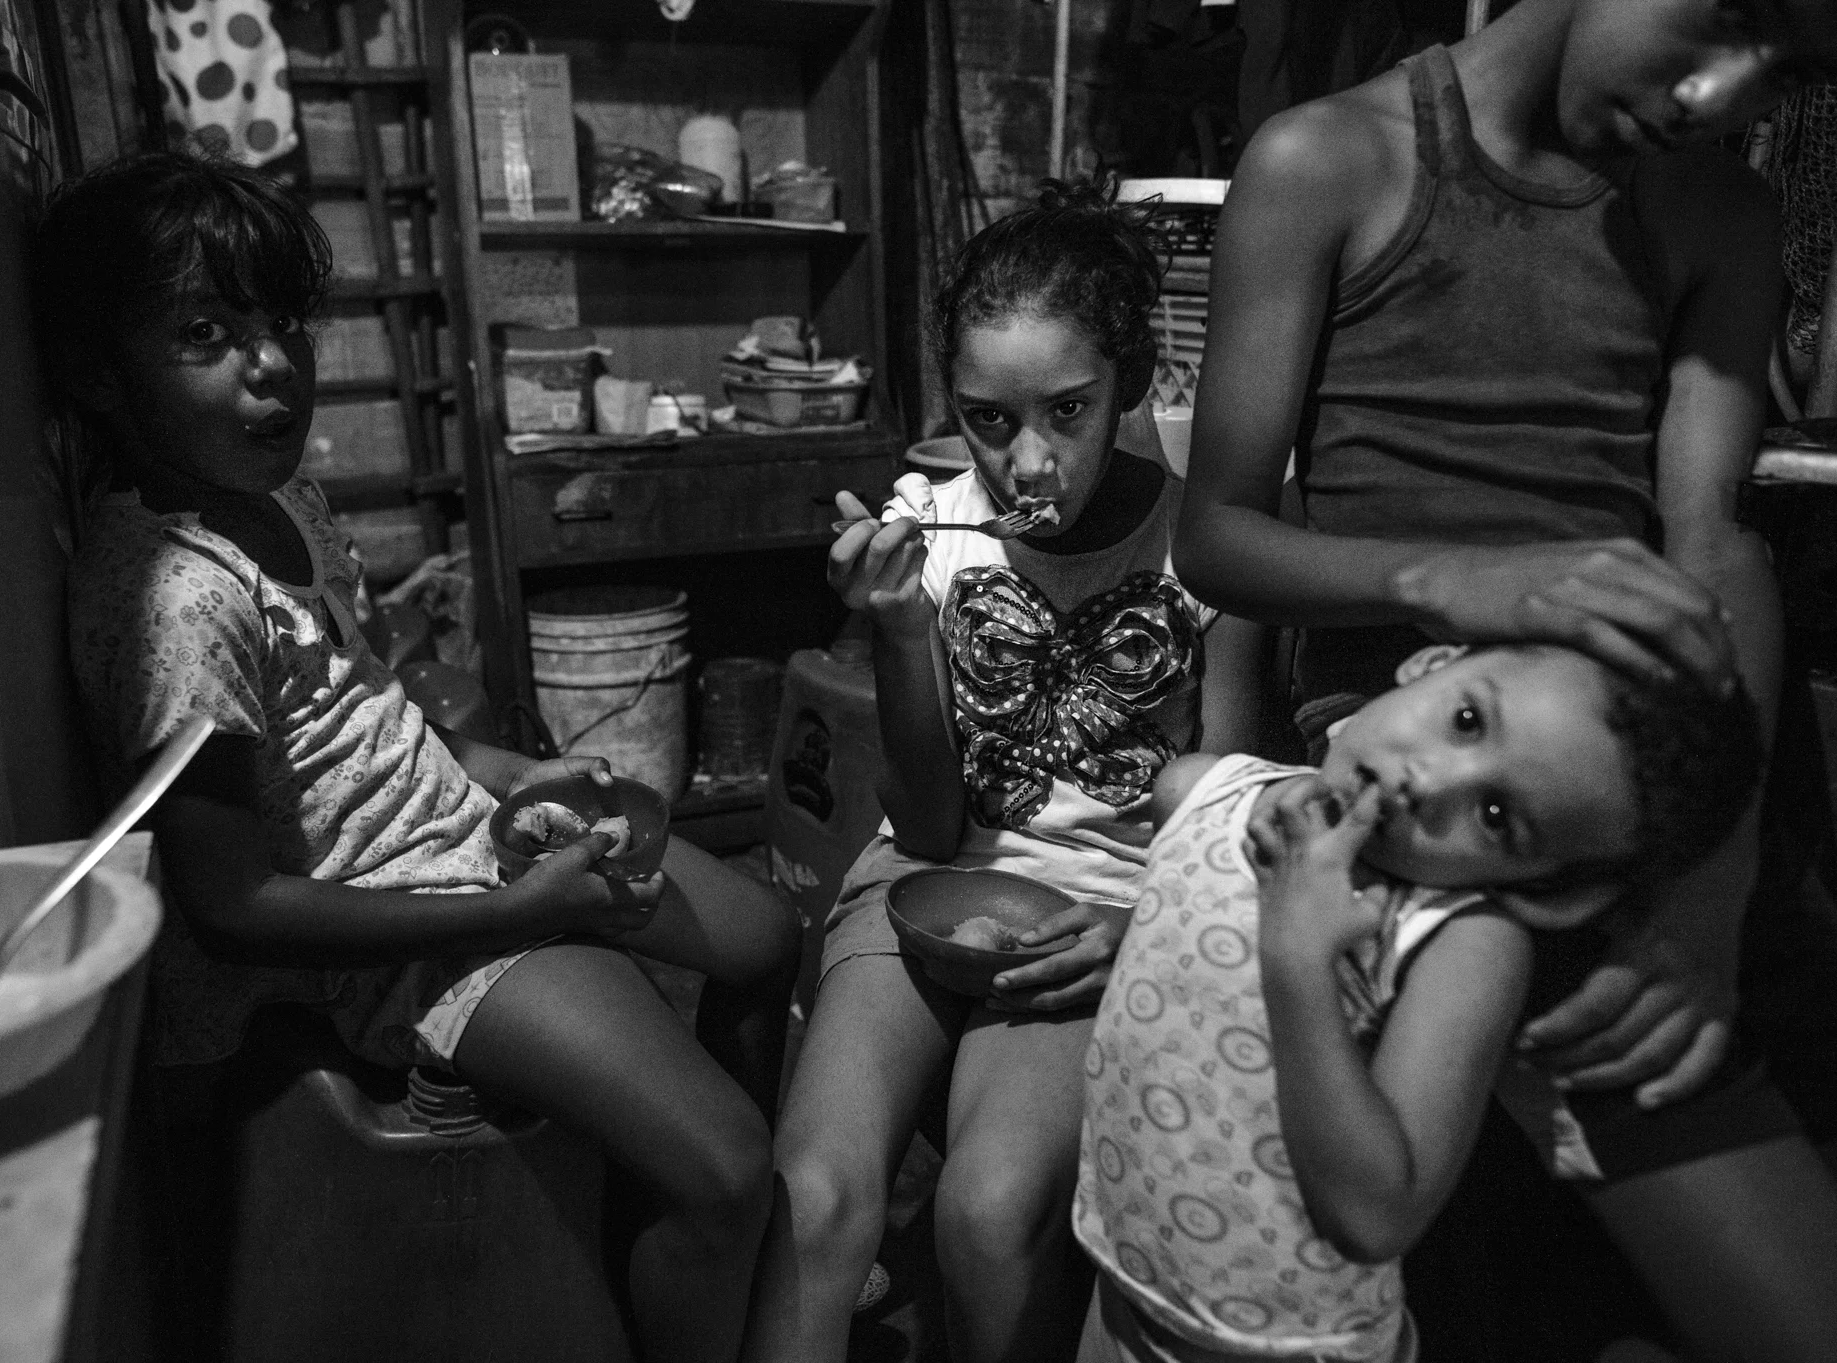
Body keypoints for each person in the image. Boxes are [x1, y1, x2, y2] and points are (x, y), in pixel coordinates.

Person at [40, 151, 798, 1363]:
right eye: (205, 333)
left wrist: (511, 775)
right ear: (96, 372)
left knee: (764, 939)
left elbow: (377, 723)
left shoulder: (286, 505)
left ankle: (702, 1249)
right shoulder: (173, 598)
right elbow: (231, 904)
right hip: (407, 931)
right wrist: (518, 910)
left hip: (470, 846)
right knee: (725, 1162)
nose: (272, 363)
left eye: (280, 322)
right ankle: (706, 1257)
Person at [1171, 0, 1837, 1355]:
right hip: (1425, 777)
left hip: (1621, 774)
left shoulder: (1719, 212)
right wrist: (1450, 578)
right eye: (1723, 23)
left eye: (1790, 74)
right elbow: (1218, 529)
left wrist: (1707, 890)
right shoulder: (1329, 162)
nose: (1722, 94)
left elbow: (1714, 546)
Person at [740, 177, 1272, 1363]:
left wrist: (1137, 929)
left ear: (1128, 386)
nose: (1023, 459)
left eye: (1065, 411)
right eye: (987, 418)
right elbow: (927, 828)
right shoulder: (928, 531)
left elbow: (1223, 812)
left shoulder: (1206, 546)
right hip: (928, 880)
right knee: (814, 1200)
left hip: (1104, 908)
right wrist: (893, 632)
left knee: (988, 1214)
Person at [1076, 641, 1765, 1363]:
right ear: (1432, 663)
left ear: (1555, 892)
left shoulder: (1463, 943)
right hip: (1121, 1287)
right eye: (1468, 719)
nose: (1430, 780)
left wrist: (1298, 957)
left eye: (1496, 814)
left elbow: (1376, 1216)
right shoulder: (1200, 793)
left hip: (1287, 1347)